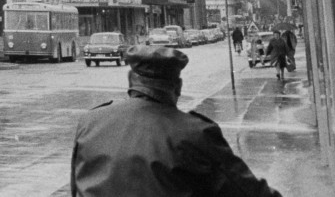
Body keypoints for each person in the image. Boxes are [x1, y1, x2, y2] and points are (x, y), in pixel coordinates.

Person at [69, 45, 284, 196]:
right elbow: (244, 191)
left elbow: (76, 186)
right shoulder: (193, 133)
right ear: (178, 86)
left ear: (131, 81)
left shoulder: (90, 122)